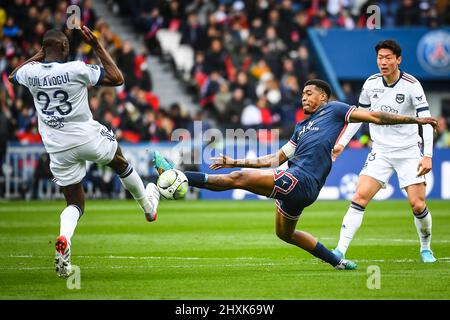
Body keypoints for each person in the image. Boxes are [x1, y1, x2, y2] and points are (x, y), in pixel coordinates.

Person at [156, 79, 438, 270]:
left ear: (323, 97)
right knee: (285, 234)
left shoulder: (337, 110)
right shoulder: (302, 127)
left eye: (309, 93)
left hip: (301, 181)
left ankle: (178, 174)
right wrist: (234, 159)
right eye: (302, 94)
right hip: (296, 185)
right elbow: (276, 158)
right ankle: (337, 261)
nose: (304, 97)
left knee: (237, 179)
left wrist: (416, 119)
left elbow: (376, 117)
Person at [8, 27, 167, 278]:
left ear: (43, 49)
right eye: (66, 46)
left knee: (74, 202)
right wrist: (97, 45)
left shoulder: (30, 72)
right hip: (86, 136)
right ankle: (148, 209)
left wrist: (37, 56)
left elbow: (12, 76)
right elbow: (117, 78)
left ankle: (64, 238)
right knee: (120, 163)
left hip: (57, 147)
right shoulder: (76, 68)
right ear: (62, 48)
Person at [331, 39, 437, 263]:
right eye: (380, 58)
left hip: (409, 151)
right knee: (359, 196)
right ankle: (339, 250)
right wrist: (342, 143)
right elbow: (357, 117)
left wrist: (428, 155)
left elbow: (426, 121)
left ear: (398, 60)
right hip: (381, 151)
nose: (383, 62)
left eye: (388, 58)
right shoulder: (371, 84)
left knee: (417, 204)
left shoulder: (412, 85)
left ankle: (425, 247)